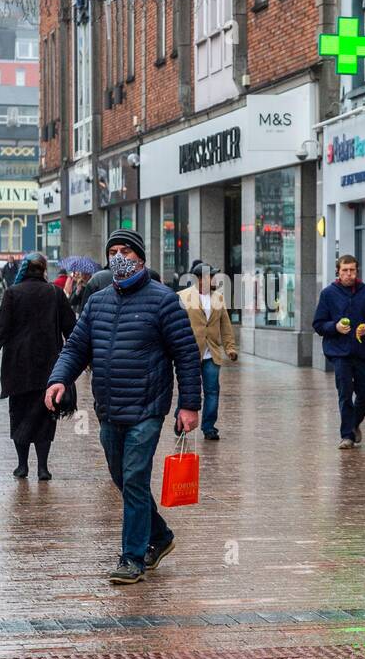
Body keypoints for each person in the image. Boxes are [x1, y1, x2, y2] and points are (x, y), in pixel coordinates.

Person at [45, 228, 201, 585]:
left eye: (126, 251)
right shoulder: (97, 302)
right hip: (109, 408)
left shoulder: (164, 301)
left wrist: (189, 406)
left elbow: (187, 356)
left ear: (141, 258)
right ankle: (160, 537)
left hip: (147, 408)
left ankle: (132, 557)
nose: (119, 257)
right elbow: (75, 348)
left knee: (133, 477)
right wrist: (58, 378)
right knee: (122, 477)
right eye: (113, 251)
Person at [0, 254, 75, 480]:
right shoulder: (55, 293)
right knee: (46, 416)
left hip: (18, 368)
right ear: (44, 269)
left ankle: (22, 465)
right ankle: (43, 467)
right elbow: (72, 330)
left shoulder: (12, 293)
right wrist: (77, 360)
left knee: (19, 415)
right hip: (49, 368)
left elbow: (1, 330)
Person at [312, 255, 365, 449]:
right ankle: (347, 436)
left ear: (357, 271)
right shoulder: (328, 294)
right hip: (340, 353)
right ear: (338, 271)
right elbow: (318, 324)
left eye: (352, 270)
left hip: (363, 352)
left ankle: (354, 425)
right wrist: (334, 327)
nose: (349, 274)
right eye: (345, 270)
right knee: (345, 393)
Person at [177, 260, 237, 440]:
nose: (214, 278)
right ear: (200, 279)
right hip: (190, 353)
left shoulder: (218, 298)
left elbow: (225, 325)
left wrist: (230, 348)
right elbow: (177, 326)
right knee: (186, 390)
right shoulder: (182, 296)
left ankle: (209, 427)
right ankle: (181, 422)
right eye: (211, 276)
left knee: (212, 391)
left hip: (212, 353)